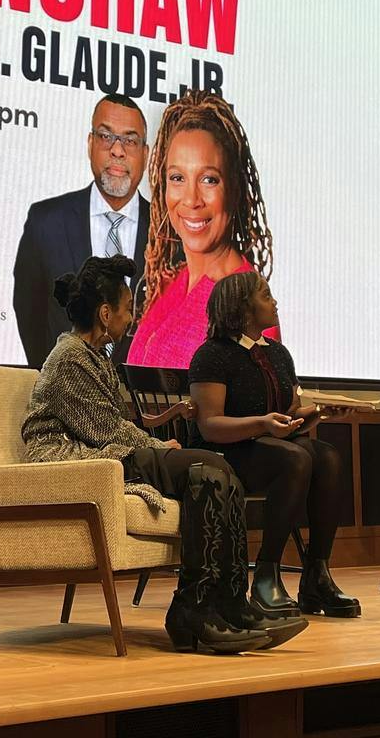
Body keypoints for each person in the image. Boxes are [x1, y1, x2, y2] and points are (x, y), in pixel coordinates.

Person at [23, 256, 305, 654]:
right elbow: (105, 429)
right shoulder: (69, 357)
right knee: (207, 468)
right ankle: (193, 610)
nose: (130, 318)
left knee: (217, 468)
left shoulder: (94, 357)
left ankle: (228, 602)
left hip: (107, 452)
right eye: (125, 310)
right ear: (105, 313)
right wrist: (160, 446)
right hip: (77, 460)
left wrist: (158, 439)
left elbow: (116, 424)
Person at [188, 271, 360, 619]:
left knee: (326, 457)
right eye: (266, 296)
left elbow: (290, 415)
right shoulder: (212, 354)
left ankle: (317, 574)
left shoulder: (279, 354)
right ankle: (267, 574)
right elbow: (210, 425)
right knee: (295, 458)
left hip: (272, 448)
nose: (275, 302)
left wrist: (320, 413)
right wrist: (263, 424)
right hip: (226, 452)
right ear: (244, 307)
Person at [123, 91, 276, 369]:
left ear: (234, 189)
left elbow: (262, 406)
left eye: (209, 179)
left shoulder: (248, 304)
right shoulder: (168, 284)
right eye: (178, 178)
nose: (191, 200)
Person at [12, 94, 152, 366]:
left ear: (145, 154)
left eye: (130, 140)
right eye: (106, 136)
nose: (118, 151)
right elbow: (29, 313)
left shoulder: (171, 232)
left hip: (145, 402)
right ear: (90, 144)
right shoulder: (45, 222)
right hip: (64, 396)